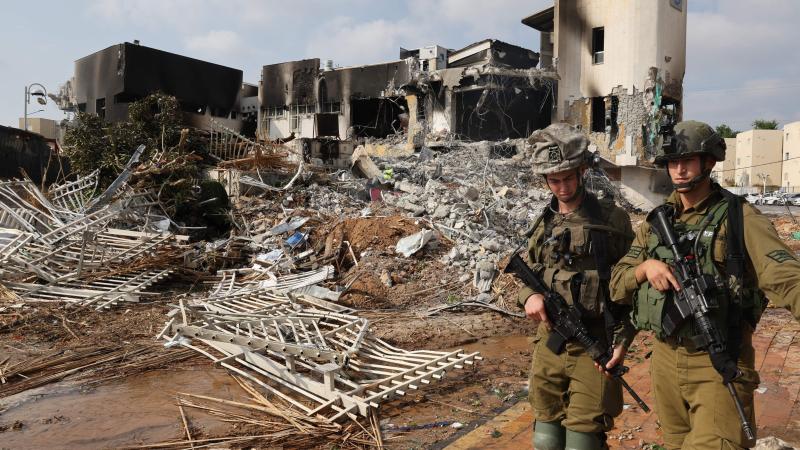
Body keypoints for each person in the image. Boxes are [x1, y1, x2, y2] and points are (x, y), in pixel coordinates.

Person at [610, 120, 800, 450]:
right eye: (672, 162)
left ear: (709, 162)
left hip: (720, 359)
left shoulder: (740, 217)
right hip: (665, 361)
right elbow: (618, 284)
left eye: (687, 160)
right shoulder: (657, 222)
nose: (679, 170)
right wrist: (645, 267)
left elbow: (783, 275)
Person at [519, 123, 635, 450]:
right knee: (545, 439)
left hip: (595, 342)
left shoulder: (612, 220)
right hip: (550, 342)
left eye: (568, 177)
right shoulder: (543, 223)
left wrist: (621, 343)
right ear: (544, 180)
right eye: (554, 180)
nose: (562, 187)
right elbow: (529, 275)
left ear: (582, 171)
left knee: (583, 442)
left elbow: (631, 287)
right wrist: (530, 297)